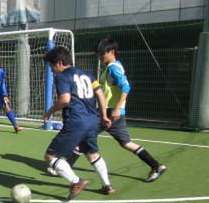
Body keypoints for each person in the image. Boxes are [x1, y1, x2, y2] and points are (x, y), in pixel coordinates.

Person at [66, 38, 167, 183]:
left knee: (84, 136)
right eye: (98, 54)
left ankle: (65, 166)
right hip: (113, 113)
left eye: (102, 53)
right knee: (126, 143)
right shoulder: (112, 67)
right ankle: (156, 166)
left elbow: (126, 87)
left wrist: (117, 109)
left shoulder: (113, 68)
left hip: (109, 112)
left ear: (112, 52)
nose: (100, 57)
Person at [43, 46, 113, 201]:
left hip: (76, 121)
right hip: (92, 121)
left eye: (52, 66)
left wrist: (49, 112)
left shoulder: (62, 76)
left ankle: (76, 182)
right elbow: (101, 95)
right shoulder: (88, 75)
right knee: (92, 154)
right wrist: (103, 115)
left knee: (50, 156)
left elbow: (65, 99)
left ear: (59, 63)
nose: (52, 70)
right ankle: (107, 185)